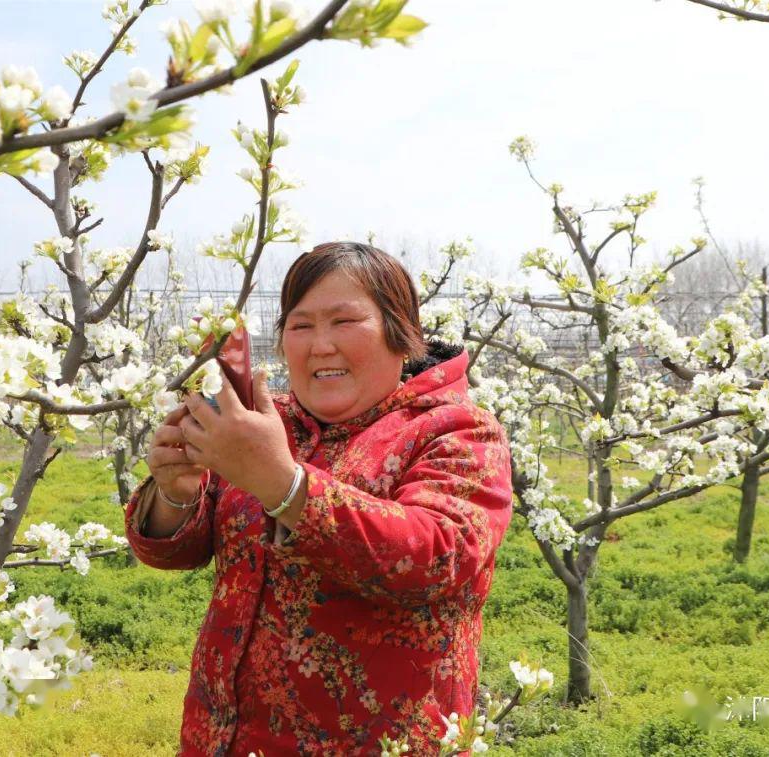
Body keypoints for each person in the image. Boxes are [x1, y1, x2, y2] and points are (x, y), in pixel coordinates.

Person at [125, 242, 513, 756]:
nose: (320, 345)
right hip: (222, 737)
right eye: (301, 325)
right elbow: (176, 550)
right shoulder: (268, 423)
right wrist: (175, 492)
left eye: (344, 321)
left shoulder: (457, 431)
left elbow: (437, 556)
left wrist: (283, 485)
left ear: (402, 334)